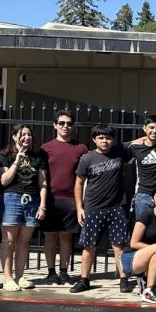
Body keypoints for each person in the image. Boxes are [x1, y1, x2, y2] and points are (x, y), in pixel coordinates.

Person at [70, 124, 130, 293]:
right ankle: (84, 280)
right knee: (89, 245)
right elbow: (79, 183)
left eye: (108, 138)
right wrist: (79, 208)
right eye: (101, 138)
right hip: (93, 207)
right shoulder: (87, 158)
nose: (105, 141)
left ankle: (123, 278)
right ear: (94, 139)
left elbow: (139, 142)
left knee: (119, 245)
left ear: (113, 140)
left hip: (117, 207)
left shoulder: (119, 151)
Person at [0, 125, 49, 292]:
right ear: (14, 137)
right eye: (22, 134)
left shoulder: (37, 157)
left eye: (29, 135)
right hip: (11, 198)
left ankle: (20, 275)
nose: (27, 137)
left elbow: (43, 183)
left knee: (24, 242)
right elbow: (4, 180)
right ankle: (8, 278)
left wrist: (43, 205)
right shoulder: (3, 156)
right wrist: (16, 162)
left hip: (31, 200)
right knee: (9, 241)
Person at [40, 111, 88, 286]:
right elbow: (42, 175)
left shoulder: (81, 148)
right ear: (55, 125)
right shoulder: (45, 148)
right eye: (61, 123)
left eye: (69, 123)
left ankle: (64, 272)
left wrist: (81, 203)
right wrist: (42, 202)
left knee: (66, 236)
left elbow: (85, 178)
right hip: (51, 199)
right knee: (50, 236)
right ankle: (51, 272)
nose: (65, 126)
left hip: (71, 200)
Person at [125, 114, 156, 217]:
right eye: (151, 127)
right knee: (142, 226)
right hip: (143, 195)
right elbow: (118, 149)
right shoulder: (135, 148)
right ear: (144, 128)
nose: (154, 131)